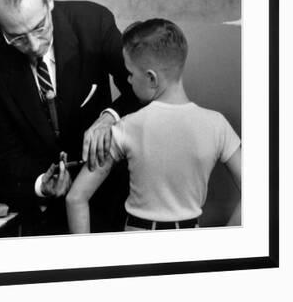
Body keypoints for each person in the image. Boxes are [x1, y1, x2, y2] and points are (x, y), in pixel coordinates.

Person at [0, 0, 140, 235]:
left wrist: (110, 117)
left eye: (39, 28)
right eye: (17, 38)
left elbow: (139, 90)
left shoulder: (94, 23)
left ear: (49, 0)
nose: (34, 47)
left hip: (103, 199)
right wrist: (40, 184)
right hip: (31, 209)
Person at [66, 18, 242, 233]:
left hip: (137, 242)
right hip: (192, 243)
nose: (128, 81)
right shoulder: (217, 125)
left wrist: (85, 262)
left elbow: (75, 198)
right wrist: (228, 241)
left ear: (151, 78)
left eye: (130, 74)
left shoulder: (126, 127)